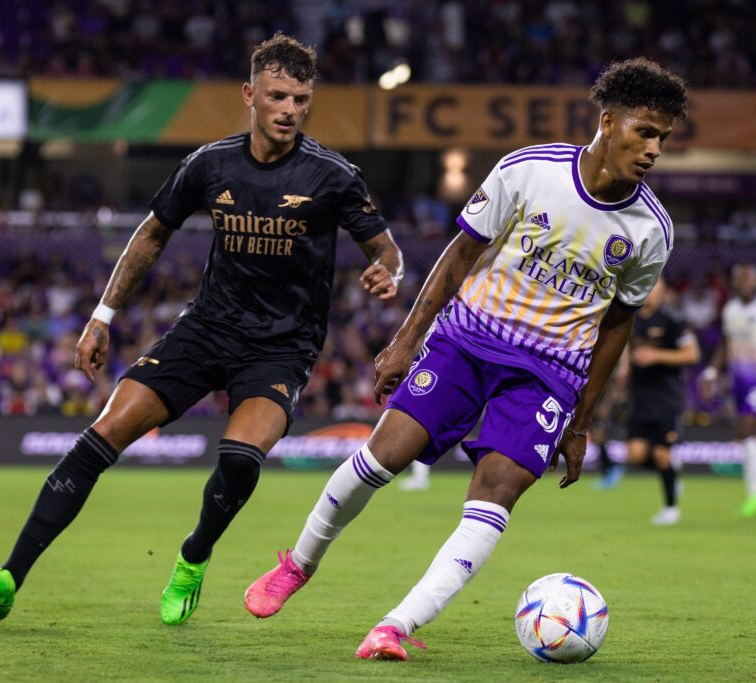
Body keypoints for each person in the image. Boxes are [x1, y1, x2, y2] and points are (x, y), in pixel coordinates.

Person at [244, 58, 688, 660]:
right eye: (646, 131)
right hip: (467, 341)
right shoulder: (530, 171)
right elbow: (458, 257)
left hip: (549, 373)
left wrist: (581, 421)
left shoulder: (651, 230)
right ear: (608, 122)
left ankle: (395, 627)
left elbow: (616, 328)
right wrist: (406, 339)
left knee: (494, 492)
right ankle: (298, 563)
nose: (655, 147)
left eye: (664, 136)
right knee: (383, 457)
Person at [0, 33, 403, 623]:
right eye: (277, 96)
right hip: (206, 330)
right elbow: (151, 236)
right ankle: (8, 577)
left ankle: (193, 556)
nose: (290, 110)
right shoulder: (208, 164)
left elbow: (386, 248)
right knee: (101, 435)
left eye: (300, 99)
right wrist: (101, 317)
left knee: (240, 458)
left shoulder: (332, 175)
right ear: (250, 95)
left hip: (280, 347)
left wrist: (385, 272)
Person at [702, 264, 756, 518]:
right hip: (739, 380)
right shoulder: (730, 310)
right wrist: (711, 371)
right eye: (739, 279)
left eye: (748, 279)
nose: (744, 283)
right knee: (749, 437)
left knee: (745, 430)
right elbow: (725, 343)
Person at [623, 276, 700, 525]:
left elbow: (692, 354)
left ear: (663, 292)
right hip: (640, 397)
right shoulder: (630, 318)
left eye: (656, 287)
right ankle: (671, 475)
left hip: (667, 398)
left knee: (662, 454)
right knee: (635, 455)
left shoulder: (673, 320)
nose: (651, 291)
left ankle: (670, 509)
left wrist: (656, 355)